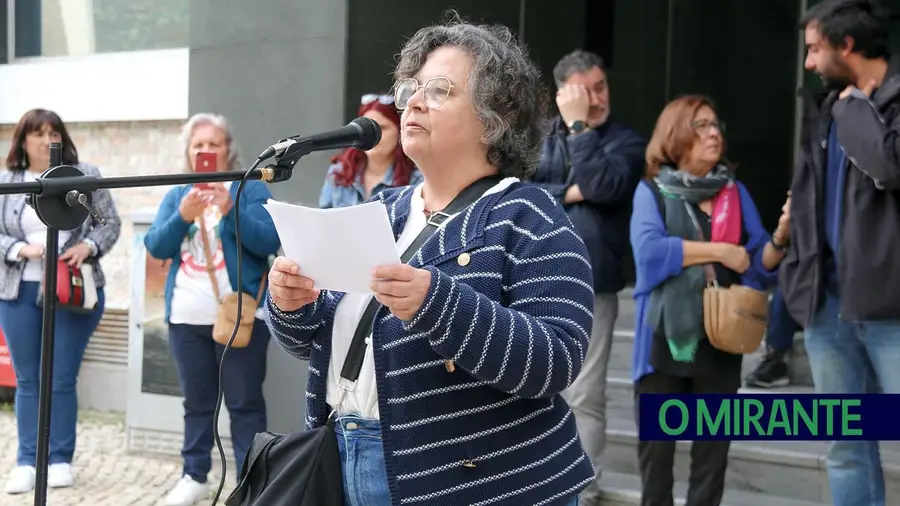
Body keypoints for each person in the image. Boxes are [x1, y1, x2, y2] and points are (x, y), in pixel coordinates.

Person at [266, 17, 592, 506]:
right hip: (345, 458)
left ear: (494, 115)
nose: (413, 102)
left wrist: (436, 302)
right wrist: (291, 307)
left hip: (479, 486)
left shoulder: (531, 215)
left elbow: (556, 360)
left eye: (440, 91)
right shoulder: (383, 210)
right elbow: (317, 342)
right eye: (411, 89)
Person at [630, 95, 789, 506]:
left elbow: (755, 262)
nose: (714, 132)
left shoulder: (733, 193)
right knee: (657, 461)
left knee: (711, 460)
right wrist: (719, 250)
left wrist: (780, 238)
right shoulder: (652, 191)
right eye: (700, 125)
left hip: (721, 338)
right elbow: (649, 255)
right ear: (676, 133)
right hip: (664, 341)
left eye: (716, 124)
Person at [781, 2, 900, 504]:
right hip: (826, 305)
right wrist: (795, 271)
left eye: (814, 49)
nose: (808, 63)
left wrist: (854, 109)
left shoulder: (865, 105)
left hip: (891, 306)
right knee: (847, 445)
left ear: (846, 46)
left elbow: (888, 165)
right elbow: (805, 196)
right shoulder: (828, 108)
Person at [144, 113, 281, 506]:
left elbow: (270, 239)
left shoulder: (249, 187)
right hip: (185, 316)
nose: (205, 151)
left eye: (213, 144)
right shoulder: (178, 193)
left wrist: (230, 211)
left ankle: (251, 483)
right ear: (189, 152)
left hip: (238, 314)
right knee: (196, 402)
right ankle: (194, 476)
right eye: (198, 145)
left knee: (244, 403)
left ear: (228, 149)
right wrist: (181, 216)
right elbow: (155, 246)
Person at [527, 49, 646, 503]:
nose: (596, 98)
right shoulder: (536, 137)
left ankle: (584, 489)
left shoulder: (626, 141)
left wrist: (578, 129)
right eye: (585, 91)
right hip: (535, 277)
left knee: (585, 394)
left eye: (601, 87)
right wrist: (568, 192)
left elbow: (603, 186)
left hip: (596, 282)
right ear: (562, 94)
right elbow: (520, 191)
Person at [0, 108, 121, 494]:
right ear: (22, 140)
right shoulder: (8, 181)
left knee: (63, 378)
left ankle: (59, 459)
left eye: (53, 132)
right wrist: (21, 249)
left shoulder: (84, 176)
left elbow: (109, 224)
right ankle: (26, 461)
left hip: (74, 293)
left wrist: (87, 246)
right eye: (37, 133)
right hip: (18, 292)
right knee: (28, 379)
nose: (45, 139)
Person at [319, 93, 421, 208]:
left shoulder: (417, 178)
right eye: (366, 129)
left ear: (399, 131)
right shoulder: (339, 172)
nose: (372, 136)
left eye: (381, 128)